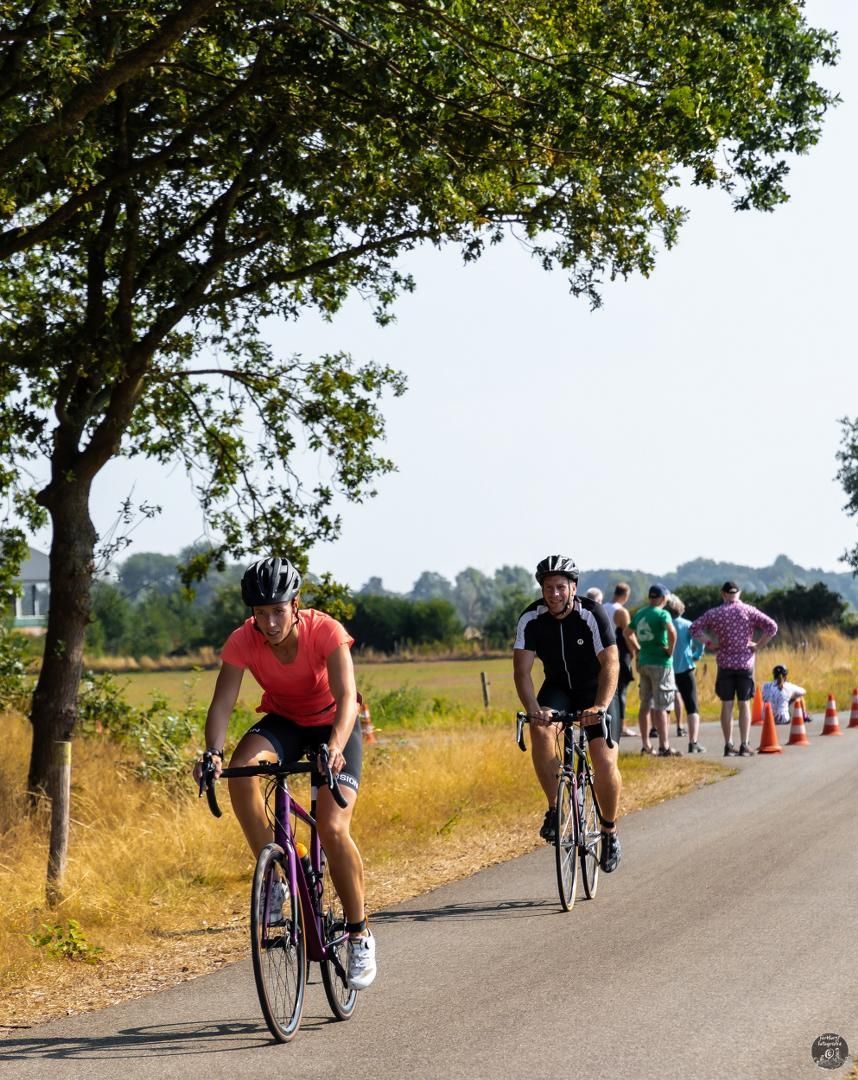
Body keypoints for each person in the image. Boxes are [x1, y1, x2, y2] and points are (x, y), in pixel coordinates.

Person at [192, 557, 376, 990]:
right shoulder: (243, 640)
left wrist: (333, 747)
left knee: (332, 827)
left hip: (333, 724)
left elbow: (347, 697)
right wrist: (213, 752)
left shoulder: (325, 631)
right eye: (260, 613)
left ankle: (359, 933)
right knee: (239, 769)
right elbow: (222, 703)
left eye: (278, 611)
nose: (270, 623)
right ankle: (276, 875)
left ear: (296, 605)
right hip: (284, 723)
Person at [513, 555, 623, 873]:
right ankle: (555, 807)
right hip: (558, 688)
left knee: (603, 761)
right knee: (540, 729)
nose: (555, 593)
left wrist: (600, 706)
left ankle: (609, 831)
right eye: (549, 587)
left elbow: (611, 663)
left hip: (595, 689)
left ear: (573, 587)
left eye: (561, 586)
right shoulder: (531, 619)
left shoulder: (591, 613)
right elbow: (522, 672)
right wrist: (534, 710)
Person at [689, 581, 778, 757]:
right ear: (739, 593)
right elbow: (772, 627)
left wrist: (710, 643)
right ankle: (744, 743)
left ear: (723, 594)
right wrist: (758, 645)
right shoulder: (748, 610)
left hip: (725, 663)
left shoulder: (715, 613)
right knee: (744, 703)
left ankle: (728, 744)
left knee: (727, 704)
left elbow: (694, 628)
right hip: (745, 663)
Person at [625, 584, 680, 756]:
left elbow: (627, 632)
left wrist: (637, 649)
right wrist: (670, 650)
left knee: (645, 704)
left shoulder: (641, 612)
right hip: (660, 662)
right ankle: (664, 745)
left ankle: (646, 745)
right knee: (662, 705)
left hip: (644, 661)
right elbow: (671, 631)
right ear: (663, 598)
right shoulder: (663, 613)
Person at [665, 594, 706, 752]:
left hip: (667, 668)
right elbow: (700, 643)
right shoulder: (688, 625)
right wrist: (695, 656)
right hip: (686, 667)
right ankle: (693, 742)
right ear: (680, 608)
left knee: (665, 707)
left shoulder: (664, 625)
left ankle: (665, 742)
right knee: (692, 706)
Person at [602, 582, 637, 737]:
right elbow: (627, 634)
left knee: (606, 689)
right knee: (620, 691)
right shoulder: (621, 611)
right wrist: (635, 651)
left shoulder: (602, 608)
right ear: (626, 595)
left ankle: (606, 724)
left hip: (603, 652)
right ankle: (621, 727)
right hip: (619, 653)